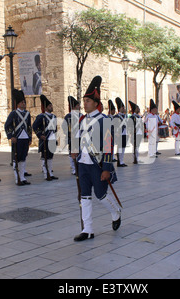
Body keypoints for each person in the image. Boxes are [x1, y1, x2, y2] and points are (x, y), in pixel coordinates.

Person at [71, 76, 122, 242]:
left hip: (97, 164)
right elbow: (76, 138)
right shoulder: (81, 119)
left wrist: (106, 168)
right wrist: (74, 149)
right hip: (83, 164)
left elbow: (108, 146)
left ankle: (115, 212)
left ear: (95, 102)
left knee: (101, 195)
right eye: (84, 100)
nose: (84, 103)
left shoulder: (104, 121)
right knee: (84, 196)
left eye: (87, 101)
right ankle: (88, 229)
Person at [5, 89, 32, 185]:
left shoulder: (27, 114)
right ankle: (18, 179)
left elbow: (29, 126)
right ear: (18, 104)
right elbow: (7, 125)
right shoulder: (14, 113)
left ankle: (22, 177)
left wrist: (30, 138)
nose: (23, 104)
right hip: (18, 138)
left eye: (24, 102)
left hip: (25, 138)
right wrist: (11, 136)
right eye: (22, 102)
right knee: (17, 158)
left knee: (23, 157)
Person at [33, 95, 59, 181]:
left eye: (51, 105)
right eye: (50, 106)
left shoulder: (54, 117)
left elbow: (54, 129)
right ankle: (45, 173)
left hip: (52, 138)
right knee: (45, 156)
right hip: (45, 139)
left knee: (50, 157)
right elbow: (35, 126)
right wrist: (40, 135)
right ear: (46, 107)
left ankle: (50, 173)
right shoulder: (41, 117)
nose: (51, 107)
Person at [62, 96, 82, 175]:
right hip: (72, 138)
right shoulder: (68, 116)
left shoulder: (81, 115)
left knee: (80, 153)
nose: (79, 107)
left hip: (80, 137)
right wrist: (68, 133)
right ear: (74, 106)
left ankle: (79, 167)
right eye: (78, 105)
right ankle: (74, 169)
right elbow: (64, 126)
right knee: (72, 153)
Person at [114, 97, 128, 167]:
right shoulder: (117, 116)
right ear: (120, 108)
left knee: (123, 147)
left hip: (125, 133)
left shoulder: (125, 116)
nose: (124, 109)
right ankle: (120, 161)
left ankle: (122, 160)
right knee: (120, 148)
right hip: (120, 134)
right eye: (123, 108)